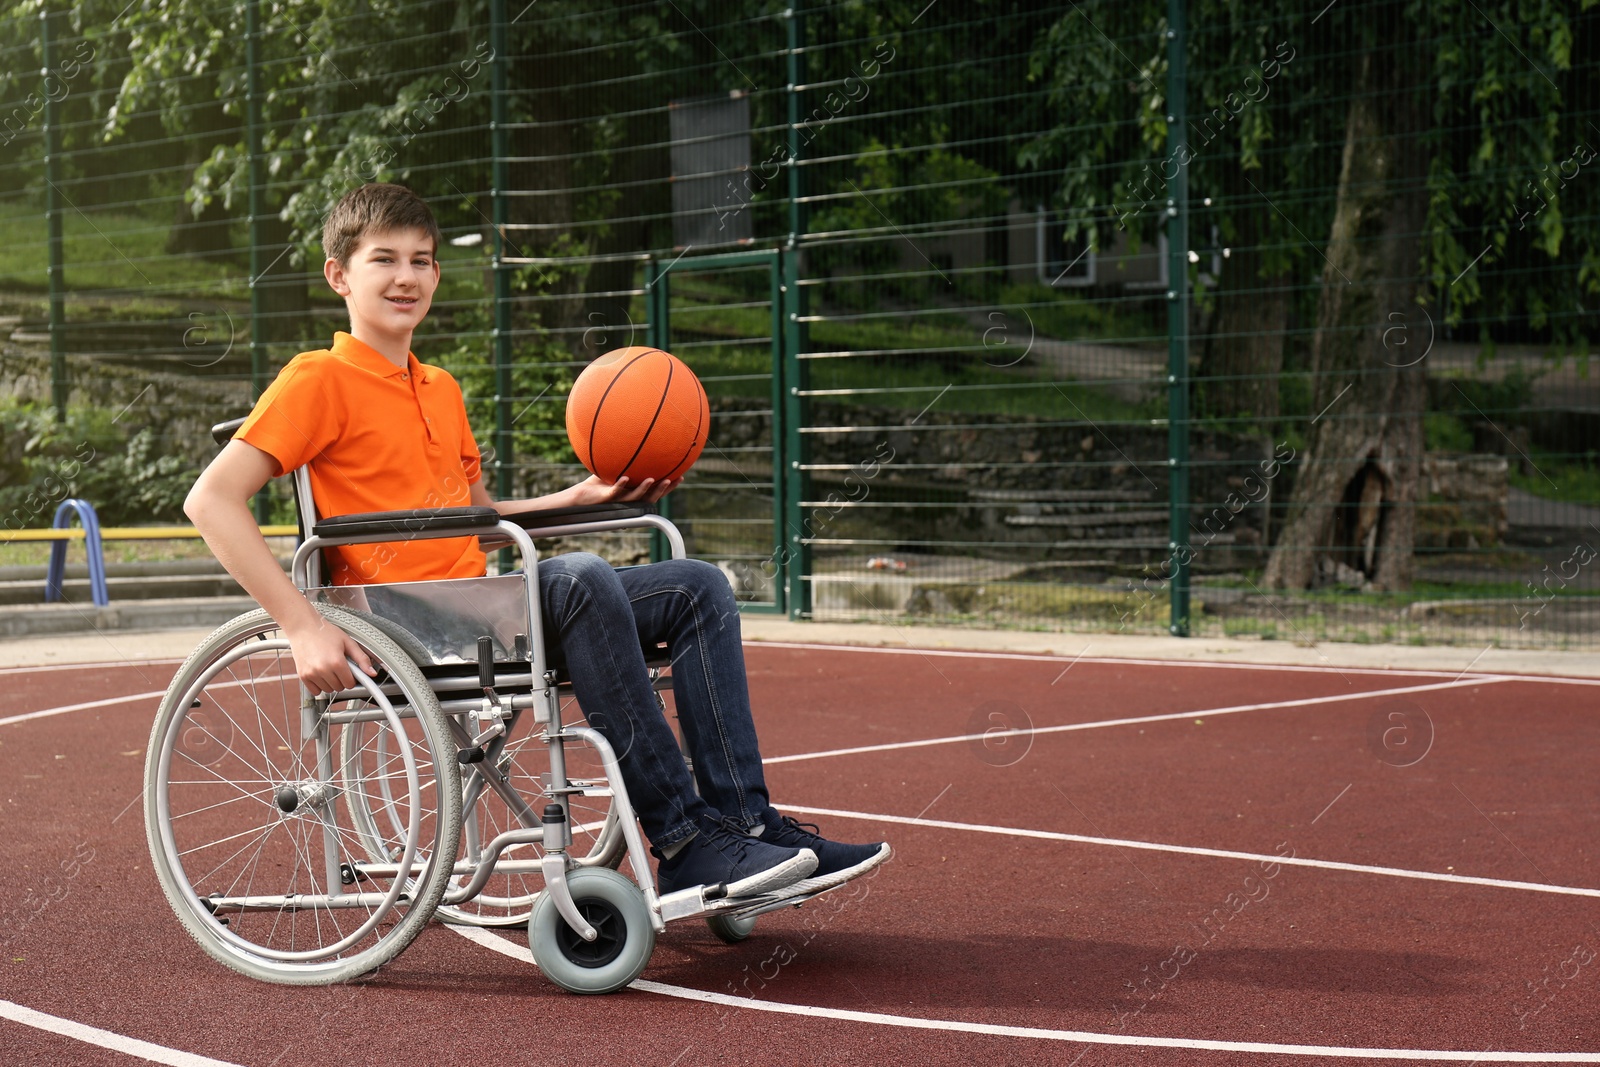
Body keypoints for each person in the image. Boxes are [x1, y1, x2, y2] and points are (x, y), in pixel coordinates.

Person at [185, 182, 889, 903]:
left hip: (479, 606)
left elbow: (480, 517)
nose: (407, 276)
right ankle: (684, 839)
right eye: (384, 259)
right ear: (339, 274)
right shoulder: (316, 378)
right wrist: (303, 625)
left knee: (696, 586)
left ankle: (748, 825)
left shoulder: (440, 387)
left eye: (422, 260)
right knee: (577, 579)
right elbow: (210, 499)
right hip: (399, 616)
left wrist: (577, 499)